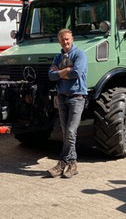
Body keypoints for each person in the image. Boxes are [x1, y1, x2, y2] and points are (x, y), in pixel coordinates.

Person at [47, 28, 88, 178]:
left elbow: (76, 73)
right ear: (59, 41)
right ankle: (72, 164)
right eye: (62, 39)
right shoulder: (58, 57)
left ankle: (63, 162)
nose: (65, 42)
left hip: (77, 97)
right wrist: (65, 71)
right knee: (66, 132)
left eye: (67, 39)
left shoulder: (80, 55)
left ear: (72, 39)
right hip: (62, 97)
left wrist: (60, 73)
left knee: (71, 132)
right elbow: (51, 76)